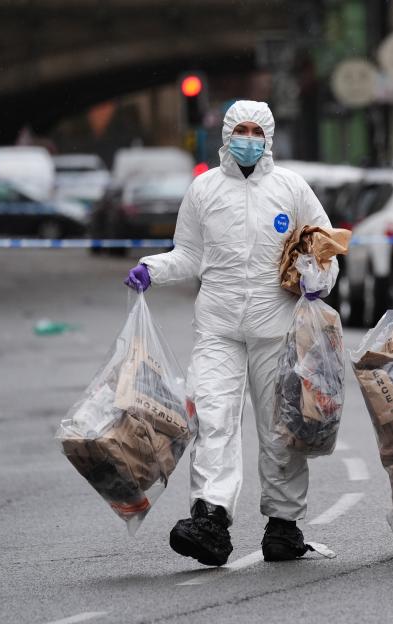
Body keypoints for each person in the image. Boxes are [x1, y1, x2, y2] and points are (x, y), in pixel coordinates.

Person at [123, 100, 337, 566]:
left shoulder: (291, 188)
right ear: (225, 133)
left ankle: (284, 524)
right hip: (218, 326)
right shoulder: (203, 190)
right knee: (214, 420)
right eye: (239, 129)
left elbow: (324, 251)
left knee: (280, 429)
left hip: (276, 328)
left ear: (269, 137)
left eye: (255, 130)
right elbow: (187, 254)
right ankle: (211, 518)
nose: (247, 138)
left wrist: (315, 280)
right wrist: (151, 269)